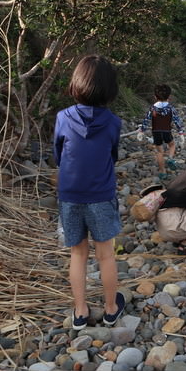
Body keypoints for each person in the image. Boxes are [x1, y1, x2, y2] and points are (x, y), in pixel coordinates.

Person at [53, 55, 125, 331]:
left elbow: (58, 155)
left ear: (76, 84)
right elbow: (113, 153)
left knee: (78, 254)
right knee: (105, 254)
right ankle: (110, 308)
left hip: (70, 194)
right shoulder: (113, 123)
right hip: (101, 194)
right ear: (110, 89)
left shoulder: (62, 118)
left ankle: (81, 311)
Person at [138, 84, 184, 180]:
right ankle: (170, 158)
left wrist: (141, 131)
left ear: (155, 96)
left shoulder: (152, 108)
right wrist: (181, 133)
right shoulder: (171, 108)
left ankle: (162, 171)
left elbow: (146, 120)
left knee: (159, 151)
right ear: (169, 97)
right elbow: (177, 120)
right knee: (172, 145)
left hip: (156, 132)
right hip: (167, 131)